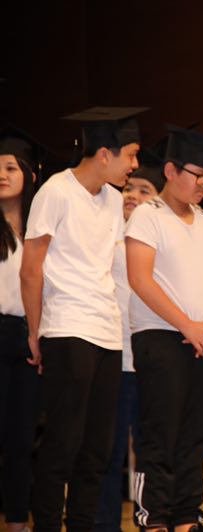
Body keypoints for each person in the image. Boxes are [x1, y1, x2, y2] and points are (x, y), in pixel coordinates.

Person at [21, 106, 143, 532]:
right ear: (105, 154)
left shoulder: (111, 199)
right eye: (131, 155)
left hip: (107, 332)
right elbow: (31, 268)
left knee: (98, 449)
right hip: (67, 328)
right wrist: (35, 332)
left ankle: (83, 526)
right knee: (63, 442)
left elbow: (112, 267)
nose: (135, 165)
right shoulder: (56, 191)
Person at [126, 125, 203, 531]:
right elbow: (141, 279)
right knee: (160, 433)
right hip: (160, 336)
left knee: (196, 434)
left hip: (202, 338)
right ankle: (153, 519)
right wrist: (188, 325)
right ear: (170, 171)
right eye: (198, 176)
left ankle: (187, 518)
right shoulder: (148, 217)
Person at [95, 148, 165, 532]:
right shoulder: (106, 234)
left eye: (144, 190)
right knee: (108, 449)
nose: (133, 196)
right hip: (113, 355)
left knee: (151, 449)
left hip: (151, 359)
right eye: (129, 188)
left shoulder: (161, 239)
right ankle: (105, 523)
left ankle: (150, 520)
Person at [0, 127, 42, 532]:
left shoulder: (40, 228)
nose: (2, 175)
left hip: (29, 335)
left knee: (20, 438)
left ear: (29, 174)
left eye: (11, 168)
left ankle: (16, 521)